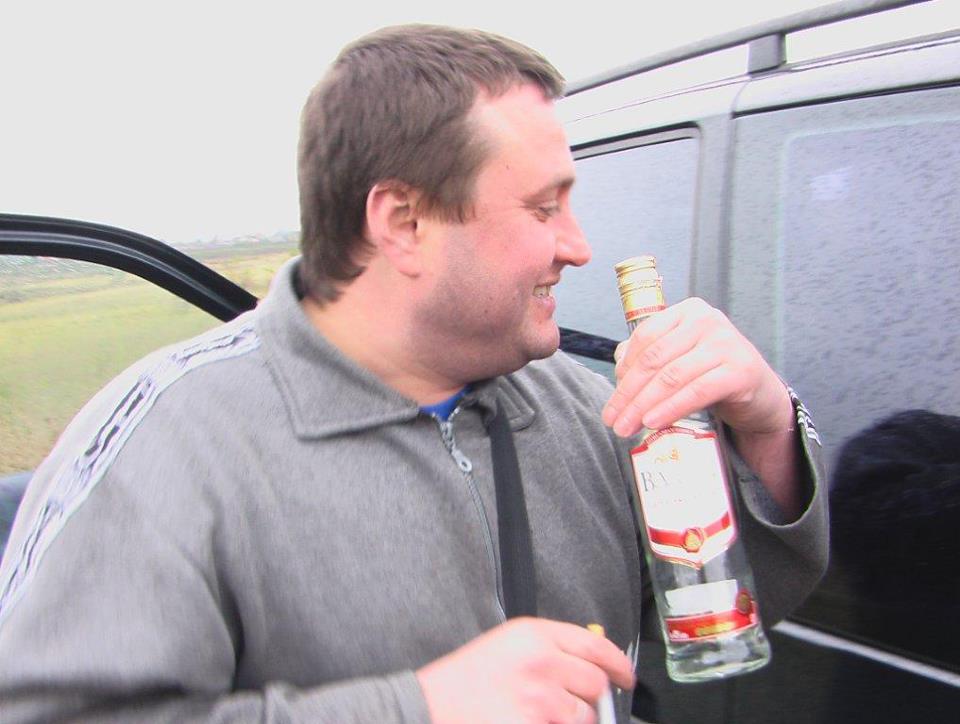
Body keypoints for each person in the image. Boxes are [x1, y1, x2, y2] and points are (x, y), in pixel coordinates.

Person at [0, 25, 827, 723]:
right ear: (403, 223)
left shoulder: (584, 408)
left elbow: (718, 610)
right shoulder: (168, 444)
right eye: (544, 207)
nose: (578, 246)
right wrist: (416, 708)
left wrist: (765, 427)